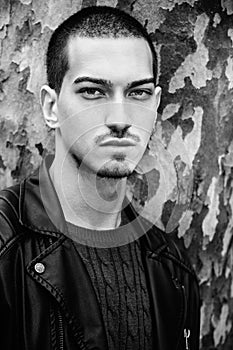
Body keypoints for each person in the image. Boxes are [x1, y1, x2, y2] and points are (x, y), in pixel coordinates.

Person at [0, 6, 200, 350]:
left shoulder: (172, 266)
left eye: (137, 93)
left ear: (154, 105)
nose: (120, 118)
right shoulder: (5, 245)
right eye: (93, 91)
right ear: (51, 108)